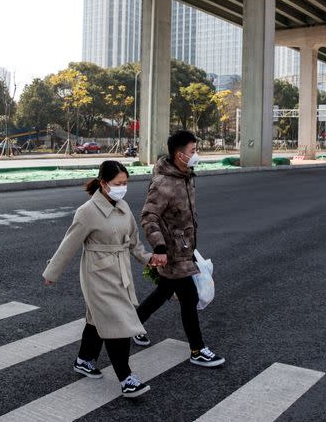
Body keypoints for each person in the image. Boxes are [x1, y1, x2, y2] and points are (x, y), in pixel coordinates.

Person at [42, 160, 167, 398]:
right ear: (103, 183)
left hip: (120, 272)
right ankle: (126, 378)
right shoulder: (87, 212)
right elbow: (69, 244)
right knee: (116, 323)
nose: (123, 188)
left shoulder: (124, 207)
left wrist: (149, 258)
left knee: (96, 319)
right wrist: (52, 273)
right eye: (118, 183)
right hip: (97, 274)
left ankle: (84, 359)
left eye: (125, 183)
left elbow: (133, 242)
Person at [135, 130, 225, 368]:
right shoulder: (164, 183)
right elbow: (149, 216)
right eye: (192, 151)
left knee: (163, 292)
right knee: (189, 298)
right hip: (172, 251)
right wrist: (160, 247)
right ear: (179, 154)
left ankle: (131, 326)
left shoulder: (185, 176)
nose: (196, 155)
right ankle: (197, 349)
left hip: (184, 248)